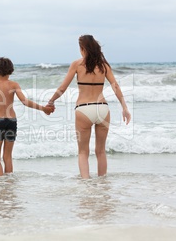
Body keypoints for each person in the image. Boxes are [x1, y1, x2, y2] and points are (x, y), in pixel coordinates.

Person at [48, 35, 131, 179]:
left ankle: (86, 185)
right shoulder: (104, 66)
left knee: (83, 152)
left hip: (84, 109)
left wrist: (51, 101)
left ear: (83, 49)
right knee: (101, 151)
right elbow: (115, 86)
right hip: (102, 108)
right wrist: (124, 107)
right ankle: (103, 184)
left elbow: (63, 87)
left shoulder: (77, 64)